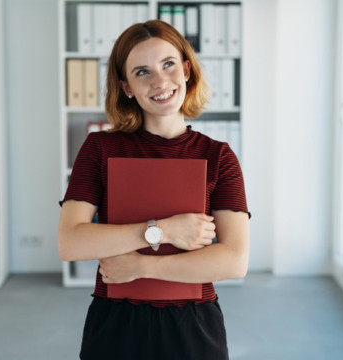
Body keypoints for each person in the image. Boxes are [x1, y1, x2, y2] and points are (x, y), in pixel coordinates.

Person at [57, 19, 250, 360]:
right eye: (142, 72)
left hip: (193, 322)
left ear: (187, 70)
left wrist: (142, 267)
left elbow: (234, 261)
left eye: (168, 64)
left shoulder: (219, 156)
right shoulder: (99, 149)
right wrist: (164, 230)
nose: (160, 81)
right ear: (127, 87)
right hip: (116, 319)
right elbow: (71, 242)